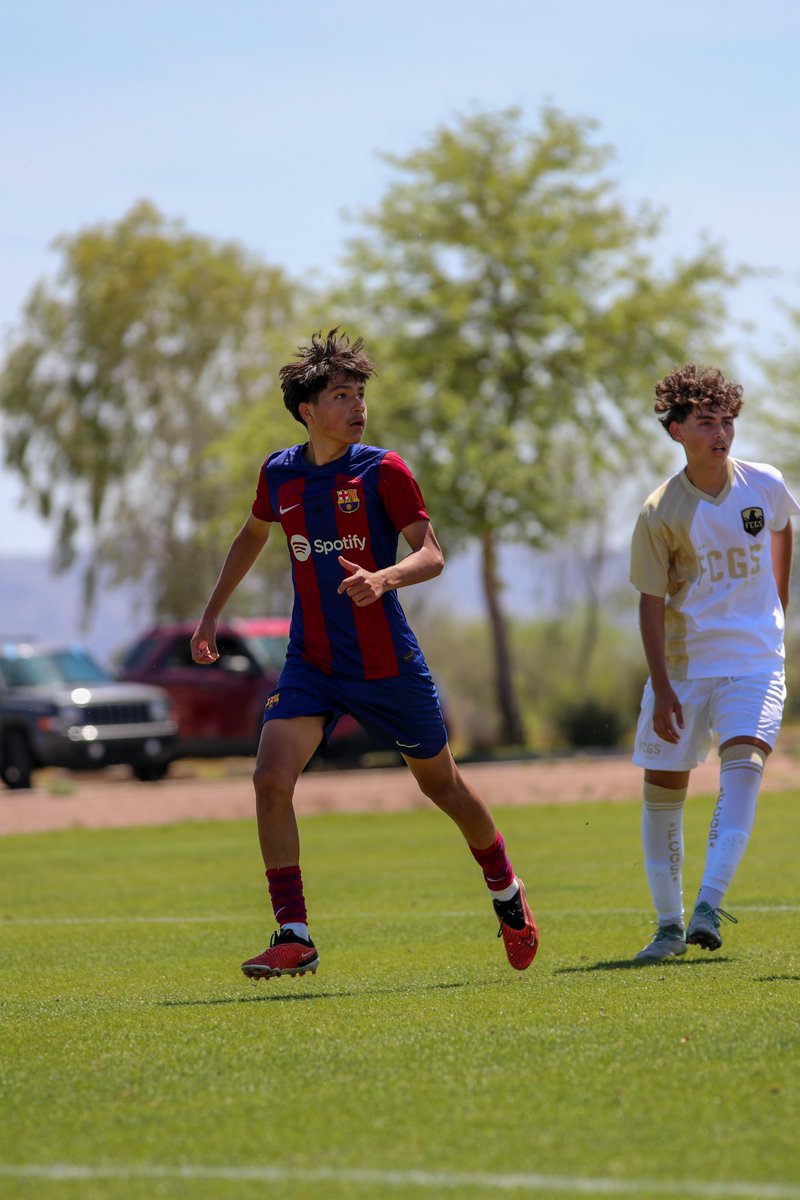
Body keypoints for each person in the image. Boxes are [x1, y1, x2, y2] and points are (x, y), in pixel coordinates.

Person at [190, 328, 539, 979]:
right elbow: (250, 534)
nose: (358, 407)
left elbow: (432, 553)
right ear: (307, 410)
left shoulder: (383, 469)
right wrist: (211, 614)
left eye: (360, 395)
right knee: (269, 778)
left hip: (386, 666)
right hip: (311, 664)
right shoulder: (279, 474)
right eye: (342, 395)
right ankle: (293, 933)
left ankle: (507, 893)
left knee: (443, 787)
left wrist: (383, 579)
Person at [629, 363, 798, 962]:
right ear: (676, 430)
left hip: (754, 660)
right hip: (683, 668)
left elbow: (783, 529)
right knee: (663, 791)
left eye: (727, 421)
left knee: (745, 762)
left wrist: (776, 603)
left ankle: (709, 903)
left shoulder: (765, 483)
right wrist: (663, 688)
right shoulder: (659, 512)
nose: (721, 433)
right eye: (706, 422)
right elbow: (649, 606)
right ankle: (668, 925)